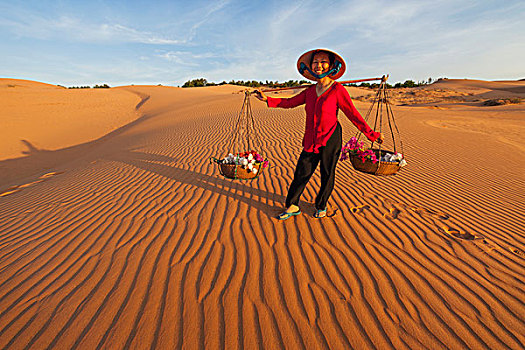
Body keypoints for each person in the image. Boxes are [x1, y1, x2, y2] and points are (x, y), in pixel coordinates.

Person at [254, 49, 383, 219]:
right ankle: (292, 205)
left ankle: (321, 204)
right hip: (311, 139)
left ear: (331, 65)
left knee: (327, 173)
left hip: (330, 137)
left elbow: (353, 114)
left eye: (323, 61)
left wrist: (371, 134)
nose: (318, 65)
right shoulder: (309, 91)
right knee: (302, 172)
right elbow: (290, 102)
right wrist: (267, 100)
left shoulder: (338, 90)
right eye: (315, 62)